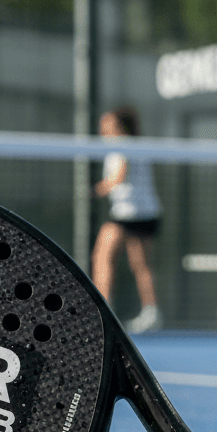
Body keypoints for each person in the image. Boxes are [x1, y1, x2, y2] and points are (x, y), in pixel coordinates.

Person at [91, 106, 162, 333]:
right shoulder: (136, 145)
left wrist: (98, 189)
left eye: (108, 124)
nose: (103, 128)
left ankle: (102, 310)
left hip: (128, 214)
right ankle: (151, 312)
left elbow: (120, 175)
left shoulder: (120, 146)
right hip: (148, 213)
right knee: (141, 265)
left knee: (102, 257)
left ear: (120, 126)